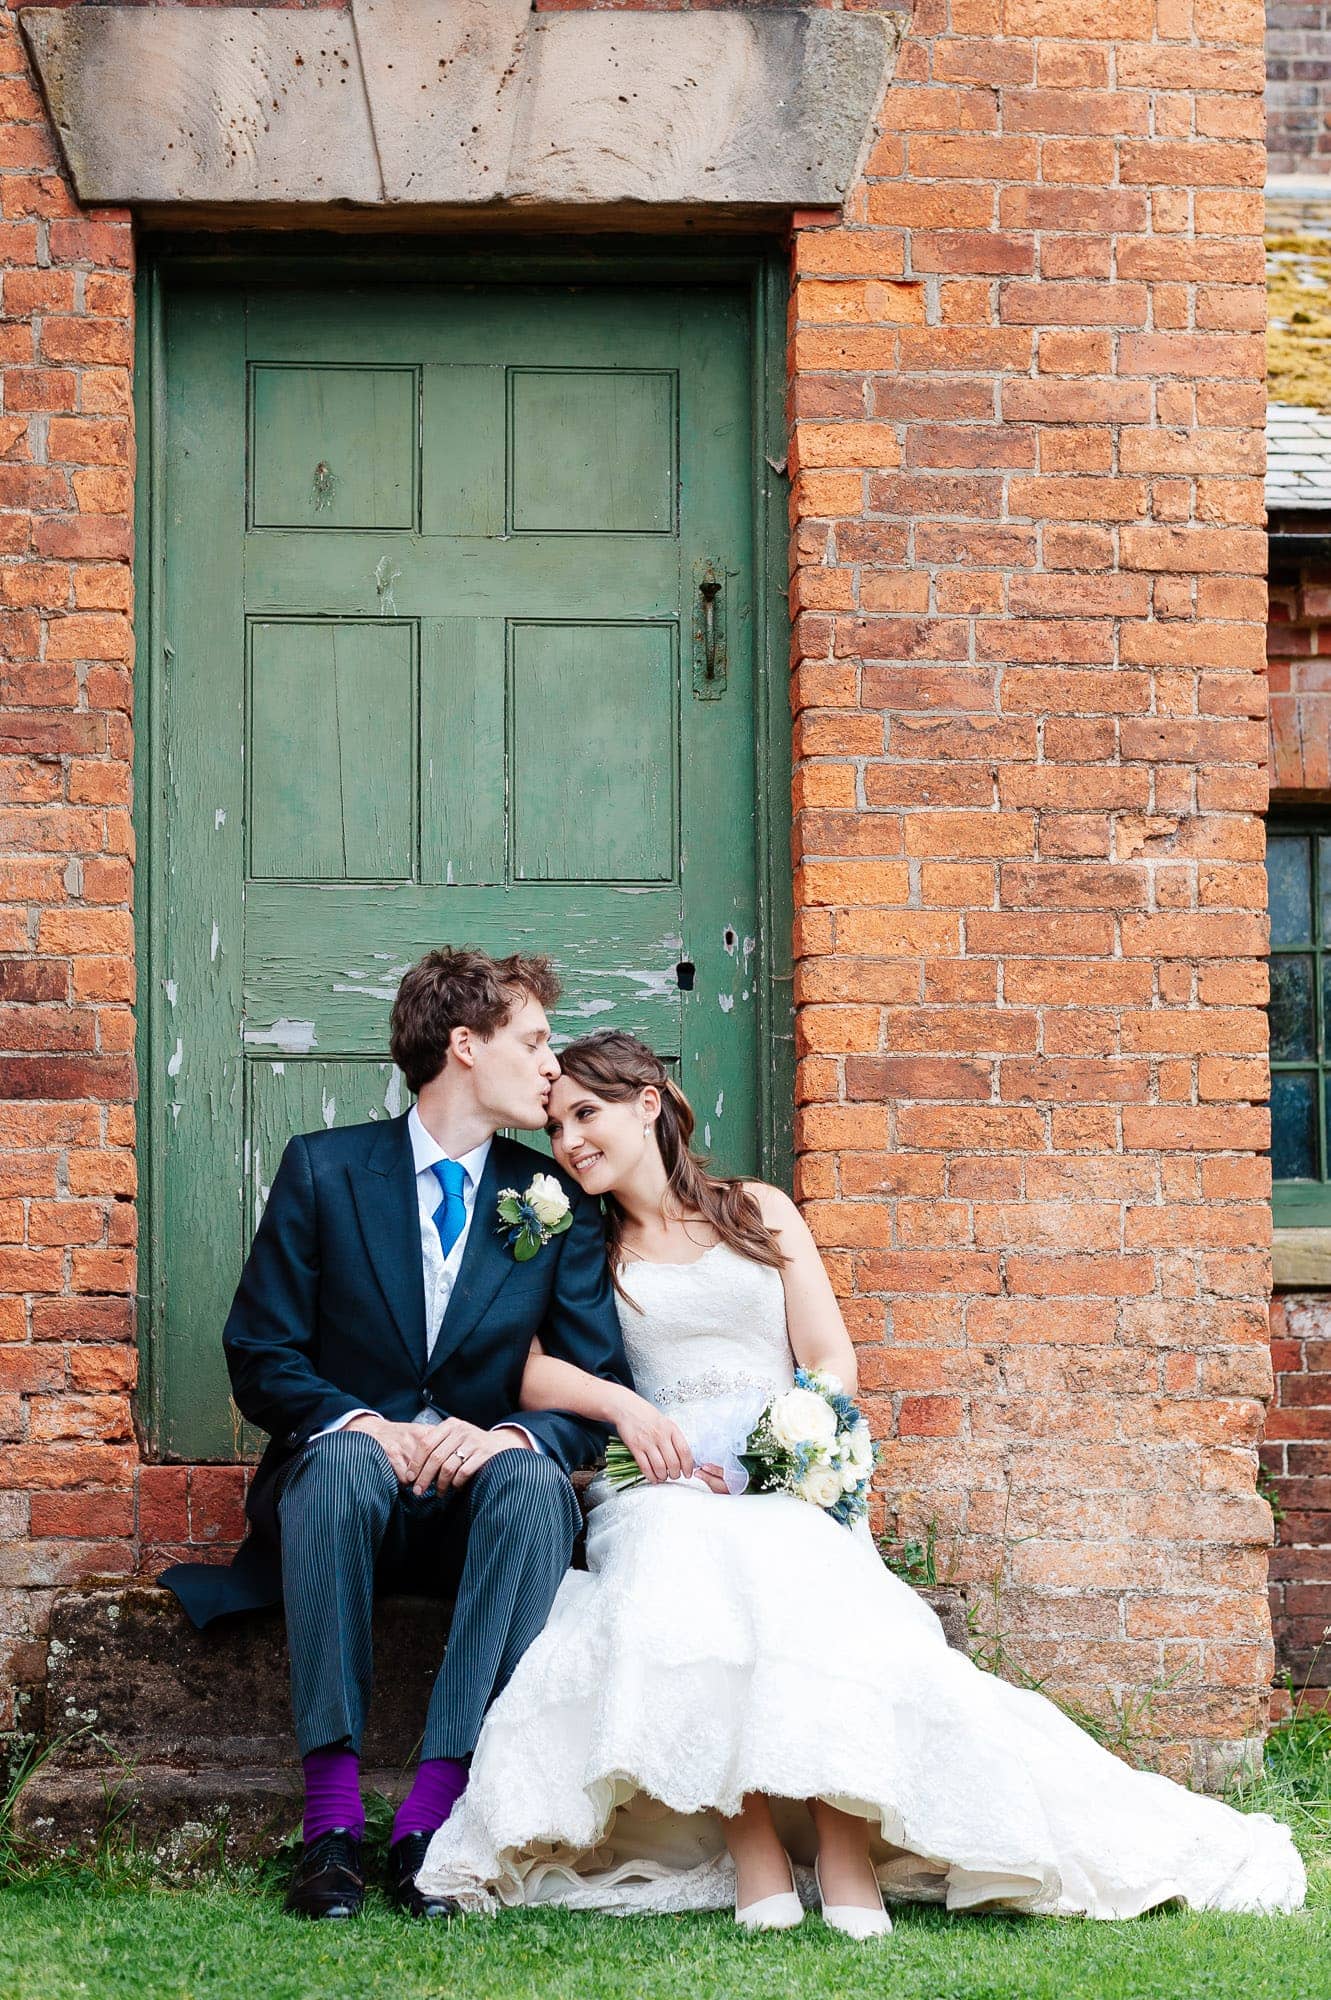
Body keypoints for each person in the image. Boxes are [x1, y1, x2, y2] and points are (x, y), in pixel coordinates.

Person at [414, 1029, 1306, 1935]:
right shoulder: (582, 1248)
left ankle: (842, 1843)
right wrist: (627, 1410)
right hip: (668, 1481)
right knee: (679, 1561)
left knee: (796, 1564)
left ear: (648, 1104)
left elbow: (828, 1354)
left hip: (781, 1471)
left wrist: (793, 1443)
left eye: (585, 1115)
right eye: (558, 1123)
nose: (568, 1142)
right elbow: (524, 1369)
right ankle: (752, 1838)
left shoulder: (754, 1209)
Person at [161, 951, 632, 1921]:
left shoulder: (554, 1201)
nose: (552, 1066)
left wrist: (508, 1431)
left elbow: (594, 1389)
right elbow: (259, 1350)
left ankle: (434, 1811)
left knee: (535, 1480)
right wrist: (360, 1419)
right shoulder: (323, 1170)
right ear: (464, 1045)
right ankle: (331, 1821)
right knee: (334, 1462)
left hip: (478, 1510)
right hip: (352, 1495)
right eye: (533, 1040)